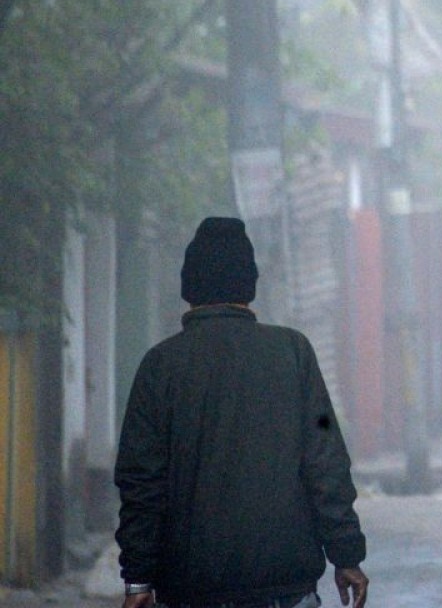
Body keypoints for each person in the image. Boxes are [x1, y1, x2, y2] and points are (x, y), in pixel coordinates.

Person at [115, 217, 369, 608]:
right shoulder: (292, 354)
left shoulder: (160, 366)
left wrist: (138, 580)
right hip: (284, 583)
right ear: (249, 285)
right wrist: (345, 553)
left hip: (190, 588)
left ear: (190, 288)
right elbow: (325, 460)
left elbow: (142, 483)